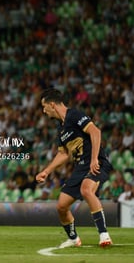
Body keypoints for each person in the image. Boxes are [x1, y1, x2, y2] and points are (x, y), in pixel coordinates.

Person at [36, 88, 113, 248]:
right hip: (80, 168)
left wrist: (93, 159)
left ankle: (104, 235)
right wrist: (46, 171)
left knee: (86, 190)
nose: (44, 111)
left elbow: (96, 132)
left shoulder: (74, 115)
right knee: (61, 206)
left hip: (96, 162)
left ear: (52, 104)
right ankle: (73, 239)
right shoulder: (61, 129)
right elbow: (64, 154)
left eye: (44, 107)